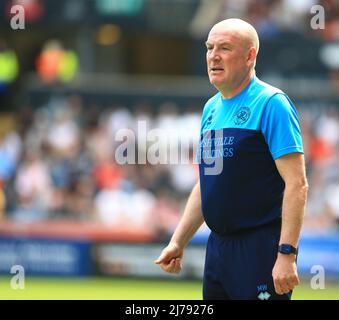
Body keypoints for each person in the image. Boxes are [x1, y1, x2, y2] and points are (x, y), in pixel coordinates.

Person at [155, 18, 308, 300]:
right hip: (218, 250)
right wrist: (179, 241)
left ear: (250, 56)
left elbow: (297, 184)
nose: (213, 55)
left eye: (224, 48)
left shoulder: (272, 103)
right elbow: (207, 183)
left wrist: (287, 253)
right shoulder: (210, 109)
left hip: (260, 248)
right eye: (209, 47)